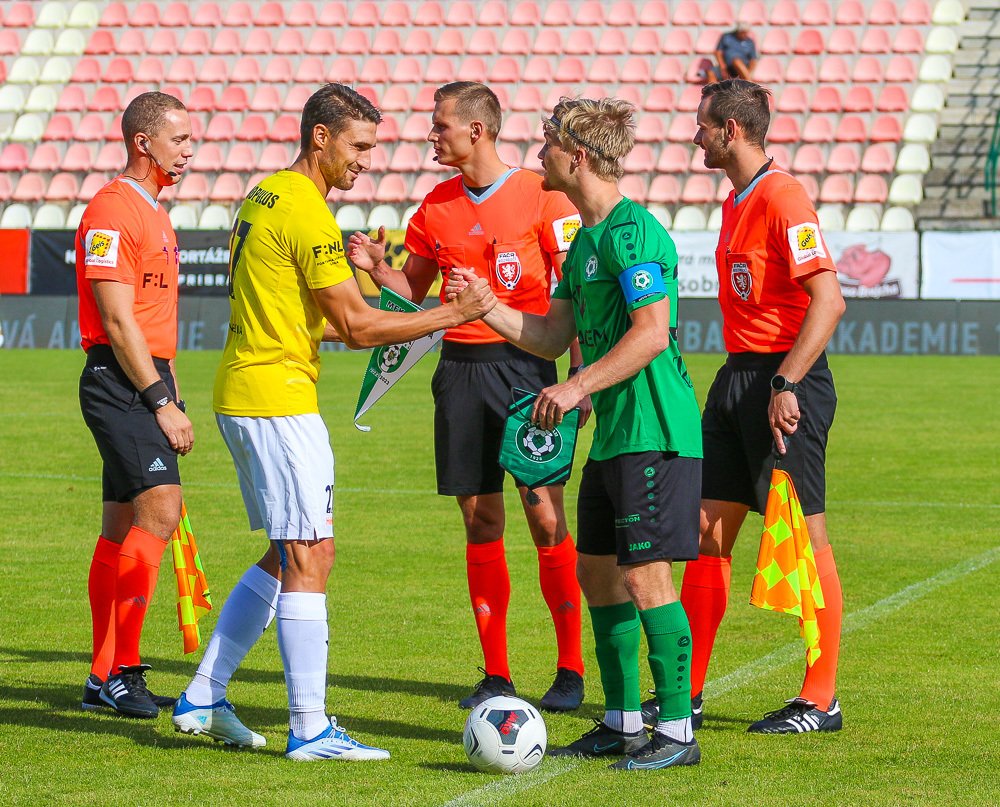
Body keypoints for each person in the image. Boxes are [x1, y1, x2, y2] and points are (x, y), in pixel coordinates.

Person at [170, 83, 494, 761]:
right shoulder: (309, 213)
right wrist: (453, 316)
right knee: (310, 553)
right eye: (360, 145)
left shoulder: (267, 192)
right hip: (277, 397)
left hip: (249, 388)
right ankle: (310, 727)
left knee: (291, 551)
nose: (368, 160)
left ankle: (205, 690)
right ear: (321, 136)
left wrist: (362, 267)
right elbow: (355, 324)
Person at [450, 96, 704, 770]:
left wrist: (575, 386)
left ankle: (676, 731)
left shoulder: (634, 232)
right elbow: (552, 333)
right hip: (617, 435)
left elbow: (652, 334)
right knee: (598, 574)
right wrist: (486, 308)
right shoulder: (586, 241)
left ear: (578, 155)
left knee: (648, 578)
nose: (537, 156)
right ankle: (622, 723)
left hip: (656, 431)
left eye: (547, 145)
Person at [347, 82, 587, 712]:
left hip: (527, 367)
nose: (432, 135)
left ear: (477, 130)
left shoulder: (544, 195)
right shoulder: (434, 207)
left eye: (440, 126)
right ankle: (498, 673)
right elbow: (415, 291)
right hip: (458, 371)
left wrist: (577, 378)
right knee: (481, 518)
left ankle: (570, 667)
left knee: (544, 516)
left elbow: (577, 294)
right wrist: (378, 267)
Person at [672, 78, 846, 734]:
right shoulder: (735, 201)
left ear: (732, 131)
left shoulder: (783, 196)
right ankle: (683, 692)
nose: (696, 137)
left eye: (703, 126)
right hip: (737, 378)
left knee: (806, 537)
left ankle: (821, 697)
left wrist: (786, 383)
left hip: (784, 383)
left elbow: (828, 301)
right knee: (704, 532)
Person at [76, 91, 194, 719]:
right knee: (161, 512)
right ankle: (123, 669)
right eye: (179, 139)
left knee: (121, 525)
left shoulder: (153, 210)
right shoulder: (111, 210)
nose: (190, 150)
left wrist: (168, 387)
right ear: (143, 142)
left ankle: (101, 676)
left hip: (144, 378)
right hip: (121, 382)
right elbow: (118, 323)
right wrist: (160, 401)